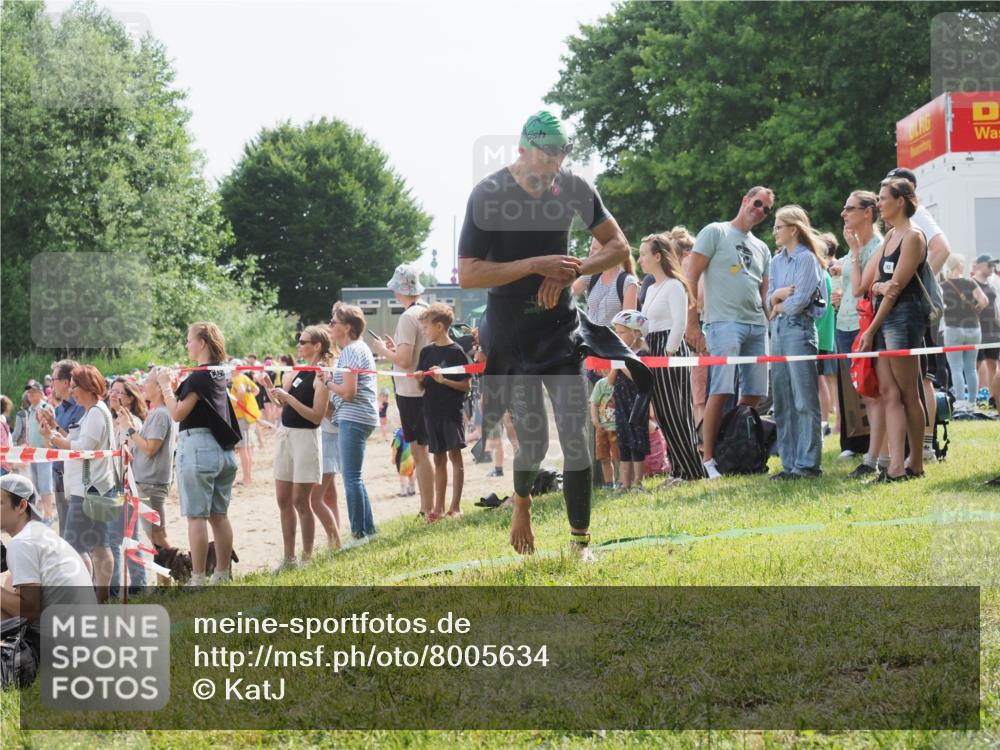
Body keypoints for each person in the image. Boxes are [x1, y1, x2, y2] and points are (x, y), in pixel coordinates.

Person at [458, 110, 640, 560]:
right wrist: (537, 265)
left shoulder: (574, 187)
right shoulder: (488, 194)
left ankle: (581, 543)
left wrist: (570, 270)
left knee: (577, 433)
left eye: (562, 156)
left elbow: (619, 246)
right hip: (509, 331)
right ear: (522, 150)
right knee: (535, 442)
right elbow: (467, 273)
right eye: (547, 157)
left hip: (560, 326)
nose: (555, 166)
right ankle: (521, 501)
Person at [685, 187, 774, 479]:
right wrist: (692, 323)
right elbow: (691, 276)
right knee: (720, 390)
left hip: (756, 325)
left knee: (756, 392)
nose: (760, 210)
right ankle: (709, 459)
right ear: (745, 200)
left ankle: (736, 443)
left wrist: (772, 317)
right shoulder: (716, 231)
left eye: (767, 209)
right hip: (723, 322)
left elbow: (763, 294)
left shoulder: (762, 247)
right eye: (757, 203)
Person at [156, 322, 240, 586]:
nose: (186, 344)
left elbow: (178, 413)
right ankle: (222, 573)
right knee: (219, 515)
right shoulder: (217, 375)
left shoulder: (198, 377)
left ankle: (198, 577)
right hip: (223, 451)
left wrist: (165, 386)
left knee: (196, 516)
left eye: (189, 340)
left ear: (202, 343)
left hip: (199, 449)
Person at [856, 179, 929, 482]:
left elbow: (895, 290)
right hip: (885, 319)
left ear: (901, 202)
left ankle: (915, 462)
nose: (879, 204)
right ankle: (895, 463)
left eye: (884, 198)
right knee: (889, 393)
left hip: (903, 319)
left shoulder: (913, 237)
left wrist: (871, 330)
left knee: (909, 392)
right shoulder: (889, 236)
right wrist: (879, 286)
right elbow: (869, 285)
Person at [884, 167, 952, 462]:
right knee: (911, 383)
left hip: (915, 311)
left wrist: (915, 284)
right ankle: (916, 450)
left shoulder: (916, 218)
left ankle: (924, 447)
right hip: (905, 309)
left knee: (920, 381)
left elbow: (943, 249)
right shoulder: (895, 228)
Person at [37, 365, 115, 602]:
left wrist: (52, 436)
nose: (72, 393)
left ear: (88, 387)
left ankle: (89, 599)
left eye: (75, 388)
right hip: (97, 488)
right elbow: (77, 440)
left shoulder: (95, 413)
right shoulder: (95, 411)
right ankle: (100, 599)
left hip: (89, 489)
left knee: (75, 548)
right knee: (99, 546)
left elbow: (82, 449)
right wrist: (54, 430)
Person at [262, 326, 336, 570]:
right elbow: (285, 404)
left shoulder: (322, 375)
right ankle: (288, 558)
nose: (298, 345)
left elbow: (316, 416)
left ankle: (307, 557)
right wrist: (269, 390)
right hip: (286, 434)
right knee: (283, 499)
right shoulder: (299, 371)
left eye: (303, 342)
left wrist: (288, 397)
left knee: (301, 501)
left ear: (317, 346)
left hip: (306, 438)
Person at [0, 474, 96, 655]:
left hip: (61, 648)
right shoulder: (40, 532)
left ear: (21, 506)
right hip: (84, 639)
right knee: (11, 582)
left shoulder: (22, 543)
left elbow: (28, 612)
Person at [640, 233, 706, 484]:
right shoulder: (652, 287)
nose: (641, 259)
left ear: (658, 256)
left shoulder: (674, 285)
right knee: (664, 413)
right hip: (652, 349)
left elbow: (679, 324)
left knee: (676, 410)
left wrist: (668, 351)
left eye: (645, 254)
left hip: (669, 350)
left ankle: (691, 470)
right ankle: (679, 469)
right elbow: (646, 324)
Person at [766, 205, 827, 479]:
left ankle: (808, 464)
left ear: (793, 229)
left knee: (804, 400)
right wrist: (777, 296)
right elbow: (768, 298)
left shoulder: (807, 259)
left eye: (779, 226)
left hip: (799, 330)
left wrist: (779, 304)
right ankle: (789, 463)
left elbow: (800, 300)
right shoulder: (775, 261)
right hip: (777, 332)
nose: (775, 231)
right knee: (782, 400)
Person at [369, 265, 434, 519]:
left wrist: (383, 350)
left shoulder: (408, 317)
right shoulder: (426, 310)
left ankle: (426, 508)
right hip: (426, 390)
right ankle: (431, 506)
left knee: (419, 452)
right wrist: (394, 349)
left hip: (412, 393)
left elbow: (405, 360)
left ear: (399, 290)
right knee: (426, 452)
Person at [837, 191, 884, 472]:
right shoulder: (855, 245)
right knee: (860, 393)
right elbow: (849, 288)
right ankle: (861, 448)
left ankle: (873, 458)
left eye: (849, 208)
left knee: (871, 394)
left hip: (862, 327)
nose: (844, 214)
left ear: (868, 212)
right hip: (844, 325)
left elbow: (859, 288)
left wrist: (854, 255)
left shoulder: (876, 247)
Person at [326, 303, 379, 545]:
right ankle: (368, 530)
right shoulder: (358, 349)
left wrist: (328, 383)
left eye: (333, 322)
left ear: (347, 327)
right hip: (359, 416)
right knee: (355, 477)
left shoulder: (350, 351)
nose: (330, 326)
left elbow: (348, 392)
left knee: (351, 479)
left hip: (354, 416)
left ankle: (358, 534)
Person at [415, 303, 471, 520]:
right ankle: (437, 508)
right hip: (431, 410)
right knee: (438, 459)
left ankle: (455, 506)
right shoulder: (426, 352)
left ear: (439, 326)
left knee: (455, 456)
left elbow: (466, 386)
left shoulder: (456, 352)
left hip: (451, 412)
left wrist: (444, 380)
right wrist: (421, 380)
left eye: (426, 327)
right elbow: (422, 388)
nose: (424, 331)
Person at [118, 372, 176, 554]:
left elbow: (150, 448)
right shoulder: (157, 412)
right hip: (149, 482)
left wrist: (129, 428)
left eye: (148, 381)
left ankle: (181, 570)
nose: (143, 384)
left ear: (159, 387)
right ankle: (167, 579)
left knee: (157, 538)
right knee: (157, 536)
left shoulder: (160, 414)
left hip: (150, 483)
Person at [106, 377, 147, 596]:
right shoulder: (111, 421)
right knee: (123, 538)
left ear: (130, 398)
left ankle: (122, 587)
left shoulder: (133, 424)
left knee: (119, 538)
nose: (113, 394)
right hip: (110, 485)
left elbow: (131, 453)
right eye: (111, 390)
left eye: (119, 392)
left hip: (125, 486)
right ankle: (136, 584)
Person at [608, 310, 650, 491]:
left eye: (622, 332)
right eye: (616, 332)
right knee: (623, 444)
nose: (618, 336)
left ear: (636, 333)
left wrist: (622, 363)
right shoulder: (618, 355)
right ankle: (624, 483)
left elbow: (638, 378)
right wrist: (615, 364)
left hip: (637, 405)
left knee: (637, 444)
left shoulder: (642, 355)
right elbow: (610, 381)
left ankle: (637, 483)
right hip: (621, 405)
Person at [942, 254, 989, 409]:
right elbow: (984, 301)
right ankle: (972, 402)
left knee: (956, 367)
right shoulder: (970, 282)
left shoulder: (943, 285)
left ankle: (961, 401)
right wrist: (977, 309)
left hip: (953, 328)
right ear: (959, 265)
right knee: (970, 367)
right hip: (973, 329)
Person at [48, 359, 85, 538]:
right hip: (58, 472)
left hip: (74, 477)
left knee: (76, 532)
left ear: (65, 382)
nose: (51, 384)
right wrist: (47, 430)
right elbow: (54, 443)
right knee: (64, 527)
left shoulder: (81, 409)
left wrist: (53, 427)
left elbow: (74, 444)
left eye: (53, 379)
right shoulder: (59, 410)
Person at [572, 236, 640, 325]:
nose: (590, 253)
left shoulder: (628, 282)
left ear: (609, 253)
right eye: (590, 248)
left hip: (613, 338)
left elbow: (628, 325)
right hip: (590, 336)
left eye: (595, 249)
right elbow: (568, 292)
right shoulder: (591, 275)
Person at [816, 233, 839, 437]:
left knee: (821, 379)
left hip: (821, 335)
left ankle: (824, 420)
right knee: (823, 378)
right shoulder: (825, 274)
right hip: (824, 334)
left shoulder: (823, 275)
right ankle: (826, 419)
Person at [23, 381, 56, 522]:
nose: (30, 394)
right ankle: (44, 513)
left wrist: (48, 449)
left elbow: (49, 429)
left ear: (40, 392)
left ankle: (49, 514)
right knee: (36, 484)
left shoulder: (45, 407)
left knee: (45, 484)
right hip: (33, 452)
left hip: (44, 451)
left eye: (33, 391)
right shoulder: (30, 409)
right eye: (28, 391)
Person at [973, 254, 1000, 400]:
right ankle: (977, 397)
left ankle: (993, 397)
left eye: (993, 266)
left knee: (993, 365)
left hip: (993, 330)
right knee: (976, 366)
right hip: (978, 330)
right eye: (989, 265)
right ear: (980, 265)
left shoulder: (992, 284)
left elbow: (995, 307)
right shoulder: (971, 283)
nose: (992, 268)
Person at [229, 363, 260, 485]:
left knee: (243, 449)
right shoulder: (245, 377)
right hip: (245, 417)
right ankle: (248, 477)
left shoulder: (238, 379)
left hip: (241, 417)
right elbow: (256, 390)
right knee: (246, 448)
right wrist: (248, 400)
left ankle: (247, 478)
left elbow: (241, 391)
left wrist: (238, 401)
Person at [589, 371, 618, 489]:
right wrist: (595, 422)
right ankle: (609, 484)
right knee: (604, 457)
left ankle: (622, 481)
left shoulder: (621, 382)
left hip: (617, 428)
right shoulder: (600, 384)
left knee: (619, 457)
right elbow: (594, 404)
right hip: (602, 429)